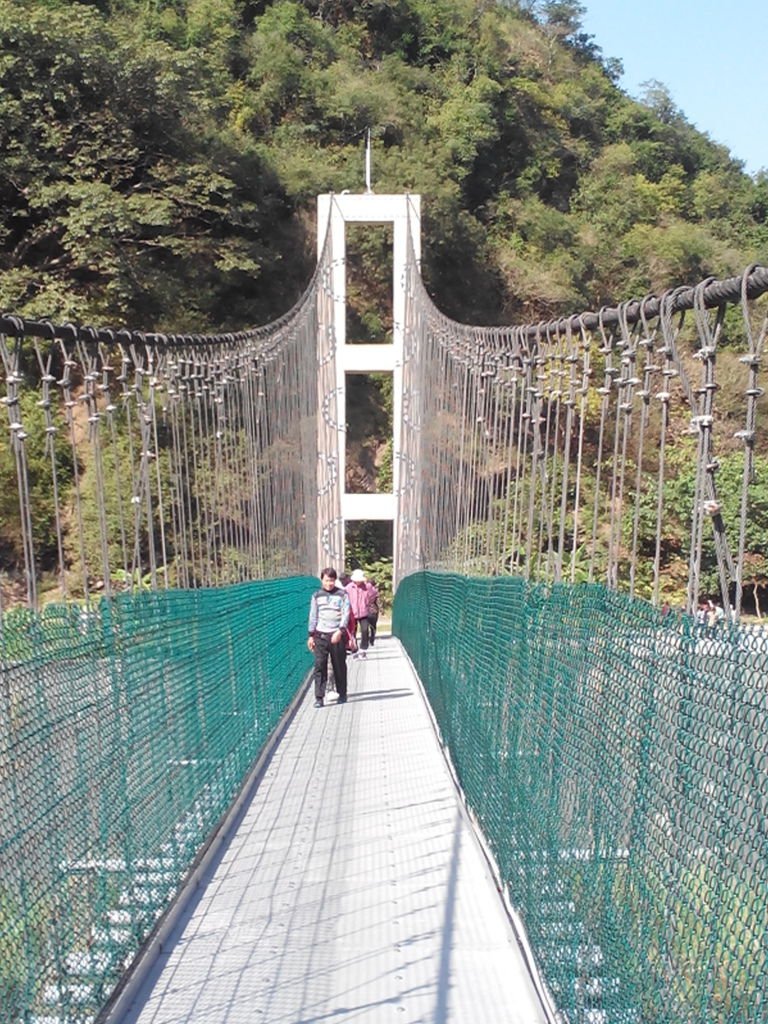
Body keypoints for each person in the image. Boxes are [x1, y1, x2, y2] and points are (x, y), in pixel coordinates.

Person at [307, 567, 350, 707]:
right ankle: (319, 697)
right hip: (320, 635)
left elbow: (346, 613)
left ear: (335, 580)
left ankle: (342, 693)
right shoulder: (316, 596)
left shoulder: (342, 595)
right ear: (322, 580)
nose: (329, 583)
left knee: (339, 665)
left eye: (331, 580)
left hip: (336, 635)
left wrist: (340, 631)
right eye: (326, 580)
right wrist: (311, 635)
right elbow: (313, 615)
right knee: (320, 665)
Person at [345, 569, 379, 659]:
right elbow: (344, 597)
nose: (358, 582)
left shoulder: (366, 586)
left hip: (364, 612)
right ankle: (354, 649)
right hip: (352, 613)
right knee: (352, 632)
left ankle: (363, 649)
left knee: (365, 630)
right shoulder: (349, 587)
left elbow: (374, 594)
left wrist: (369, 586)